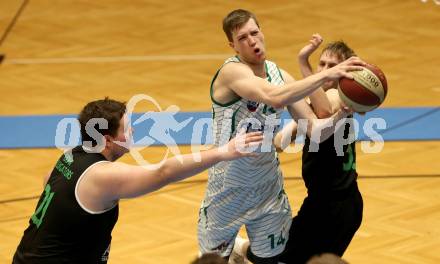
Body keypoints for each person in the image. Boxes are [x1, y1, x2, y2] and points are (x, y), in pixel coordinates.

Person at [197, 9, 365, 264]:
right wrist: (326, 74)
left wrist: (340, 114)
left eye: (255, 32)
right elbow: (272, 96)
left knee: (274, 261)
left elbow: (315, 130)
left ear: (262, 32)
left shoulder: (280, 76)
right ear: (233, 45)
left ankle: (241, 255)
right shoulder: (232, 72)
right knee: (212, 261)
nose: (252, 41)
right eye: (243, 38)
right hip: (228, 189)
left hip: (268, 189)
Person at [12, 97, 264, 264]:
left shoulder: (69, 157)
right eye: (126, 128)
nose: (131, 132)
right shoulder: (101, 176)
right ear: (108, 140)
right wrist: (223, 153)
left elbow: (48, 180)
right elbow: (162, 172)